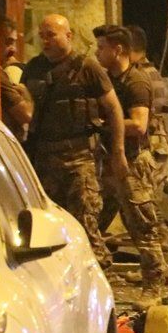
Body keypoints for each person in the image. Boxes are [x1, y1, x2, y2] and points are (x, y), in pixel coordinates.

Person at [22, 14, 127, 271]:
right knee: (50, 229)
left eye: (51, 35)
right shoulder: (34, 69)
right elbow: (23, 109)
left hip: (79, 160)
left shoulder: (86, 67)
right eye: (42, 35)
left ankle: (98, 283)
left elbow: (113, 109)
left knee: (86, 225)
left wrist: (118, 152)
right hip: (44, 162)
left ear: (68, 36)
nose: (45, 41)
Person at [92, 25, 168, 307]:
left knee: (142, 227)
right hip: (107, 163)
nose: (98, 52)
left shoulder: (135, 81)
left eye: (102, 47)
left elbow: (139, 124)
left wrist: (104, 124)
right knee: (92, 224)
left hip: (133, 163)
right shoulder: (106, 80)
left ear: (118, 50)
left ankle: (155, 286)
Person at [124, 24, 168, 278]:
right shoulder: (152, 72)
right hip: (159, 144)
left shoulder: (140, 76)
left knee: (146, 210)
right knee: (153, 209)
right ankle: (166, 265)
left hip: (150, 146)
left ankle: (159, 267)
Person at [0, 17, 32, 140]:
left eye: (14, 42)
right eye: (8, 42)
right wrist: (28, 97)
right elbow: (26, 115)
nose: (14, 49)